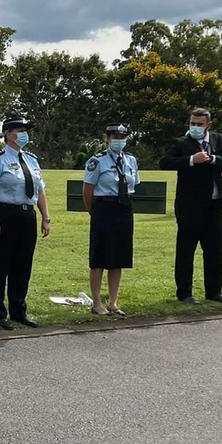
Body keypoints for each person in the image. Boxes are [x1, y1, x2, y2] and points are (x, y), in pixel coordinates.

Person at [158, 107, 222, 305]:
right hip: (190, 207)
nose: (195, 127)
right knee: (186, 251)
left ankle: (214, 291)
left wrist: (214, 159)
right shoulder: (181, 143)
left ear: (208, 125)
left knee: (214, 250)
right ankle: (184, 293)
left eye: (199, 124)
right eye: (192, 123)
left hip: (214, 205)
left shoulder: (218, 140)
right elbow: (165, 162)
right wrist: (192, 160)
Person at [0, 114, 50, 329]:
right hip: (4, 214)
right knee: (1, 264)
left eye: (25, 130)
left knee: (23, 264)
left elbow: (40, 190)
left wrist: (46, 217)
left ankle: (19, 310)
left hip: (27, 215)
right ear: (8, 135)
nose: (24, 134)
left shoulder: (31, 160)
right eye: (20, 130)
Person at [83, 123, 139, 316]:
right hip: (103, 208)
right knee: (99, 257)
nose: (119, 140)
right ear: (107, 139)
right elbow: (88, 191)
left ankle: (113, 302)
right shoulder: (97, 161)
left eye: (122, 137)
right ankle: (97, 303)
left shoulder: (131, 160)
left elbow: (134, 184)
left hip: (124, 208)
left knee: (119, 257)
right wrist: (95, 212)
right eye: (115, 137)